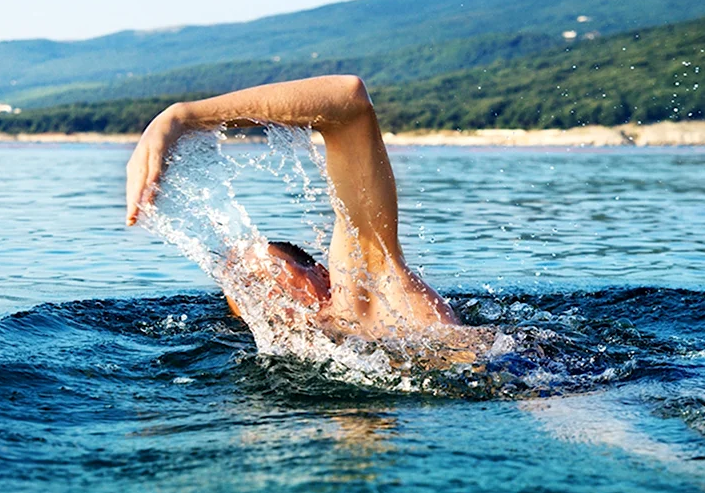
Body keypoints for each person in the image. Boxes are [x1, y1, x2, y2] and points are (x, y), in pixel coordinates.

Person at [126, 75, 494, 360]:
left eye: (267, 275)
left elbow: (349, 101)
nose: (265, 295)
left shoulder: (367, 291)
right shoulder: (317, 350)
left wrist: (183, 117)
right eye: (248, 292)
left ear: (320, 273)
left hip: (528, 378)